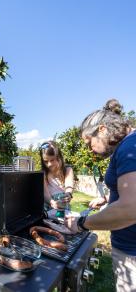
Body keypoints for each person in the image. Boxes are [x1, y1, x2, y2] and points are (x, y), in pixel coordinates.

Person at [64, 99, 136, 292]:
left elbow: (130, 209)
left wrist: (81, 224)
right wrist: (107, 199)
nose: (89, 150)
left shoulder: (129, 148)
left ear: (102, 129)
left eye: (89, 143)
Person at [39, 140, 74, 211]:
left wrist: (68, 194)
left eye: (52, 160)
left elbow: (69, 186)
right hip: (49, 208)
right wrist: (52, 203)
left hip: (64, 207)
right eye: (46, 161)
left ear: (59, 157)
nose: (49, 164)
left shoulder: (68, 170)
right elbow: (45, 194)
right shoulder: (43, 174)